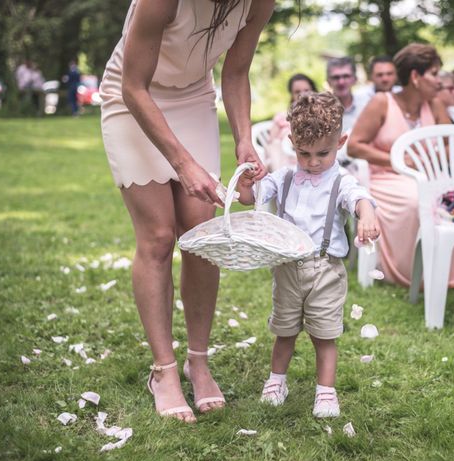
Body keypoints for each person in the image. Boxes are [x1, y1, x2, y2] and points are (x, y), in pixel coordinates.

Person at [99, 0, 273, 423]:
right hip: (133, 97)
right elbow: (132, 86)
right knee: (158, 237)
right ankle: (164, 372)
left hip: (194, 97)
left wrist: (244, 139)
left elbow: (234, 72)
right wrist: (183, 163)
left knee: (201, 236)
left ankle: (199, 361)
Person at [236, 92, 379, 417]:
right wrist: (246, 182)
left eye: (322, 153)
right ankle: (277, 380)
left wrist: (367, 216)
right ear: (292, 143)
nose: (313, 162)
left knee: (324, 335)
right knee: (284, 329)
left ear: (340, 142)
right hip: (287, 268)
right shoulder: (284, 177)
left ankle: (325, 392)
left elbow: (359, 198)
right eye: (304, 153)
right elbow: (250, 198)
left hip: (325, 270)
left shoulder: (341, 180)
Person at [348, 43, 454, 288]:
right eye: (434, 74)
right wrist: (396, 160)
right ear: (415, 77)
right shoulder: (382, 102)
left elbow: (451, 143)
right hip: (386, 178)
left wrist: (437, 158)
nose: (440, 81)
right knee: (414, 201)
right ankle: (410, 273)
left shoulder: (435, 105)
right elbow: (355, 145)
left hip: (428, 176)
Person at [264, 73, 317, 171]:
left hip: (307, 159)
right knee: (276, 144)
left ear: (314, 92)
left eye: (306, 90)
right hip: (281, 159)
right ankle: (280, 177)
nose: (302, 95)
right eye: (297, 92)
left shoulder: (320, 117)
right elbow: (270, 143)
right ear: (292, 95)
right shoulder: (282, 117)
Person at [326, 57, 369, 134]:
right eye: (336, 77)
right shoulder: (321, 110)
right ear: (328, 81)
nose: (341, 82)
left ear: (355, 79)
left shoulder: (367, 105)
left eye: (346, 76)